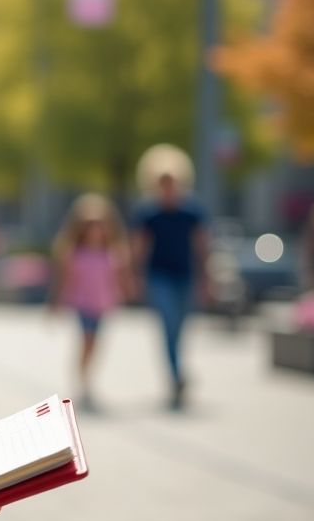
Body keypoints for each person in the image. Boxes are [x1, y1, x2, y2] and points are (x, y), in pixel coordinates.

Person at [130, 145, 209, 411]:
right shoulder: (148, 213)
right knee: (168, 324)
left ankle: (176, 373)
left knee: (180, 329)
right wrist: (135, 277)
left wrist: (206, 278)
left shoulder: (192, 211)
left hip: (184, 276)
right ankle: (176, 376)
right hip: (159, 276)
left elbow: (201, 246)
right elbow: (139, 248)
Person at [49, 194, 136, 413]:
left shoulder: (113, 253)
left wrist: (129, 290)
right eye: (91, 225)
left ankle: (87, 377)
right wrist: (56, 303)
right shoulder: (75, 254)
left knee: (95, 343)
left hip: (103, 304)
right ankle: (83, 380)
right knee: (86, 341)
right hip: (82, 304)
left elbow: (120, 279)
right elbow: (65, 281)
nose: (95, 230)